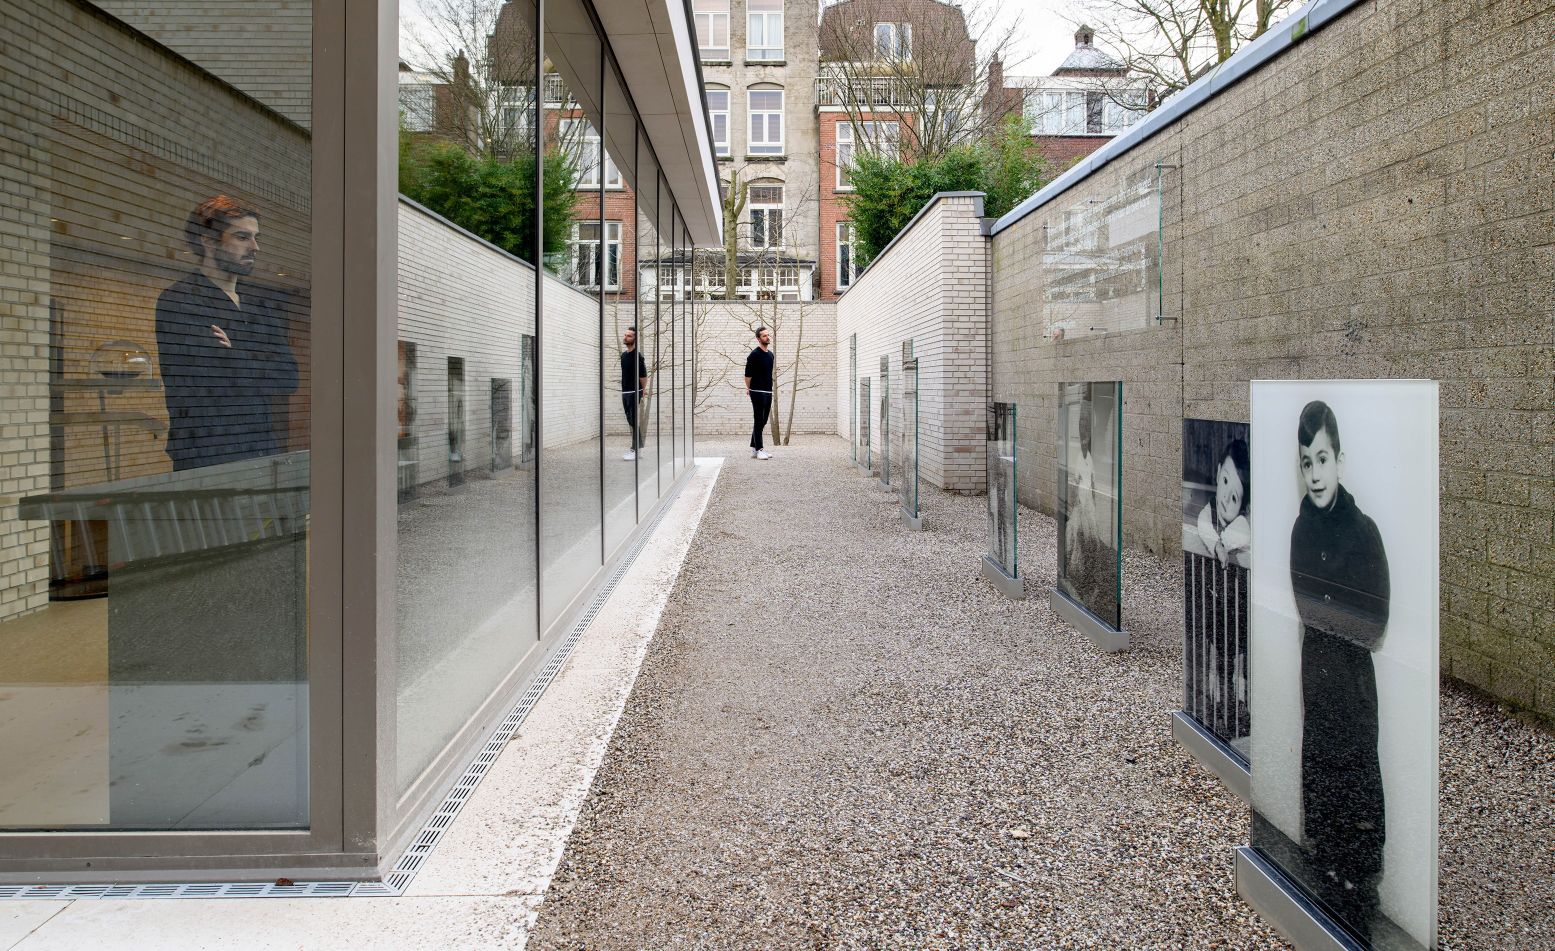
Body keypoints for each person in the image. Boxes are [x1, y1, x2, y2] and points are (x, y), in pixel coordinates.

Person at [1290, 400, 1390, 941]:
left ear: (1340, 460)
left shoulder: (1364, 531)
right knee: (1323, 835)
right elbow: (1310, 609)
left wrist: (1335, 613)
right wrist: (1337, 609)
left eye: (1322, 459)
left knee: (1358, 833)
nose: (1315, 473)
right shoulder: (1300, 532)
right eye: (1306, 462)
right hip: (1318, 689)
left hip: (1352, 695)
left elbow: (1373, 622)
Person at [156, 196, 299, 471]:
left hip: (262, 451)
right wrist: (258, 361)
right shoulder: (180, 300)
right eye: (242, 237)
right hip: (207, 456)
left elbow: (288, 377)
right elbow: (209, 378)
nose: (255, 247)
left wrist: (235, 353)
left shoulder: (261, 305)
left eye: (256, 238)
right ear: (208, 240)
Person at [1196, 438, 1251, 569]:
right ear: (1219, 472)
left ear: (1243, 505)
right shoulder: (1211, 508)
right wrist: (1217, 546)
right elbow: (1202, 522)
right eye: (1225, 481)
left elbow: (1244, 530)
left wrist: (1224, 544)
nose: (1226, 497)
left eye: (1234, 498)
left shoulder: (1243, 520)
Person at [744, 326, 774, 460]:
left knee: (763, 420)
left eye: (768, 335)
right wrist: (749, 388)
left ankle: (754, 448)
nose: (767, 337)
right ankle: (759, 449)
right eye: (764, 336)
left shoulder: (770, 355)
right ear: (758, 338)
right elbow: (747, 375)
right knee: (758, 420)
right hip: (757, 391)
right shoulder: (754, 355)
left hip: (768, 391)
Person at [619, 326, 648, 461]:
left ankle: (635, 449)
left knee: (634, 420)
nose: (626, 337)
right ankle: (638, 448)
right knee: (631, 421)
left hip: (634, 391)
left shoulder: (638, 356)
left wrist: (642, 391)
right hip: (625, 392)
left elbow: (643, 376)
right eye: (625, 335)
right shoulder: (623, 356)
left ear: (635, 339)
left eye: (629, 336)